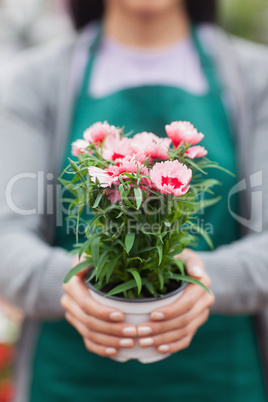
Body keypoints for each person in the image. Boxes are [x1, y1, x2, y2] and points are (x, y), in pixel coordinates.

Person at [0, 0, 268, 401]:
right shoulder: (36, 79)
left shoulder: (255, 76)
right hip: (71, 381)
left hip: (218, 378)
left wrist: (203, 279)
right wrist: (72, 281)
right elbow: (7, 237)